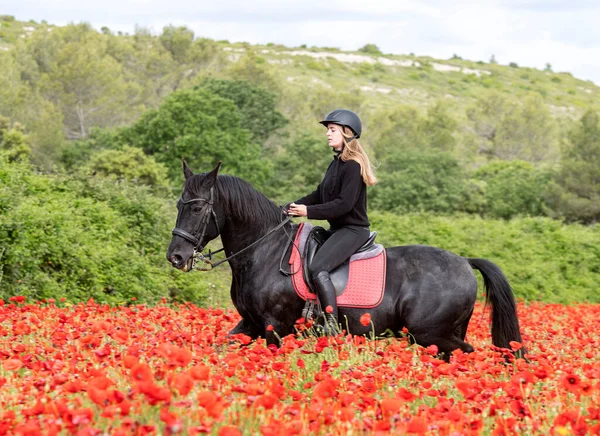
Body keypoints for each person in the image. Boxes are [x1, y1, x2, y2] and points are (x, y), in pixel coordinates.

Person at [286, 109, 377, 335]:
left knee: (318, 268)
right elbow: (319, 195)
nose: (328, 134)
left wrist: (307, 211)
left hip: (353, 231)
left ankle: (331, 324)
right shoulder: (336, 163)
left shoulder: (353, 165)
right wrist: (288, 208)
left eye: (332, 130)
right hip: (337, 229)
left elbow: (343, 205)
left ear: (347, 133)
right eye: (328, 130)